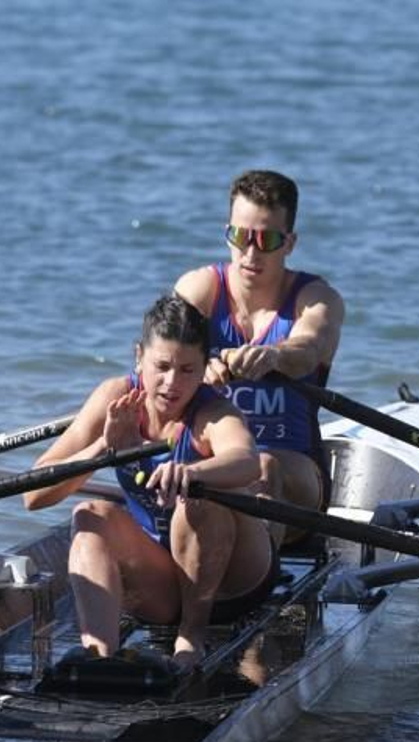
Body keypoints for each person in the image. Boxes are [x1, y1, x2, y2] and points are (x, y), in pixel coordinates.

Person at [24, 293, 274, 671]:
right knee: (90, 515)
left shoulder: (211, 411)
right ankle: (98, 660)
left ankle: (191, 637)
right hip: (167, 578)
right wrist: (103, 447)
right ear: (138, 356)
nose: (172, 384)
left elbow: (247, 461)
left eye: (188, 370)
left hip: (237, 580)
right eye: (162, 366)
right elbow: (33, 493)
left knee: (197, 500)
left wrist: (193, 472)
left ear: (205, 366)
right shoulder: (116, 398)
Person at [173, 169, 344, 535]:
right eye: (240, 236)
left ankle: (256, 572)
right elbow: (162, 365)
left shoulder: (316, 299)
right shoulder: (198, 290)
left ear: (290, 243)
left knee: (263, 466)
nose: (250, 253)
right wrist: (196, 370)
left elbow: (309, 347)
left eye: (266, 240)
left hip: (292, 469)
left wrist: (275, 357)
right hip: (212, 459)